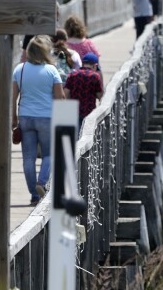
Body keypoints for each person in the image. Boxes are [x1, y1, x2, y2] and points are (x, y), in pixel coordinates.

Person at [12, 35, 65, 206]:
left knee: (28, 158)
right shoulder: (51, 70)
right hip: (46, 117)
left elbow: (13, 98)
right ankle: (42, 183)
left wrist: (13, 119)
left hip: (26, 117)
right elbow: (60, 97)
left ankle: (34, 195)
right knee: (49, 154)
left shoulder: (20, 69)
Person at [64, 52, 104, 125]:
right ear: (95, 66)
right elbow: (100, 96)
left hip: (73, 111)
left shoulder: (73, 74)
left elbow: (66, 93)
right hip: (89, 112)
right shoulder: (95, 76)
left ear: (82, 64)